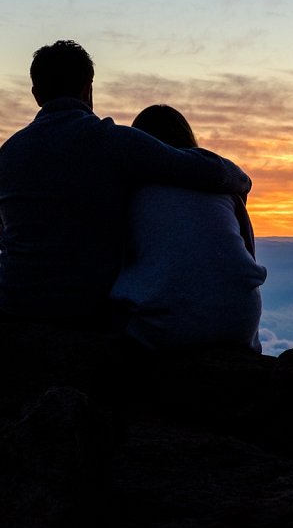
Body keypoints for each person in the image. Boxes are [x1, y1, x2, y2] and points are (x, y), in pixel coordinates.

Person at [0, 41, 252, 327]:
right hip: (92, 304)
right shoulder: (115, 142)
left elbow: (10, 233)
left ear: (36, 94)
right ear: (89, 87)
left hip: (18, 302)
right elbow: (201, 169)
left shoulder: (6, 154)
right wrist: (241, 181)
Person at [109, 105, 266, 352]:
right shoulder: (224, 189)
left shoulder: (132, 193)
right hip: (240, 323)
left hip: (168, 328)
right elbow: (248, 253)